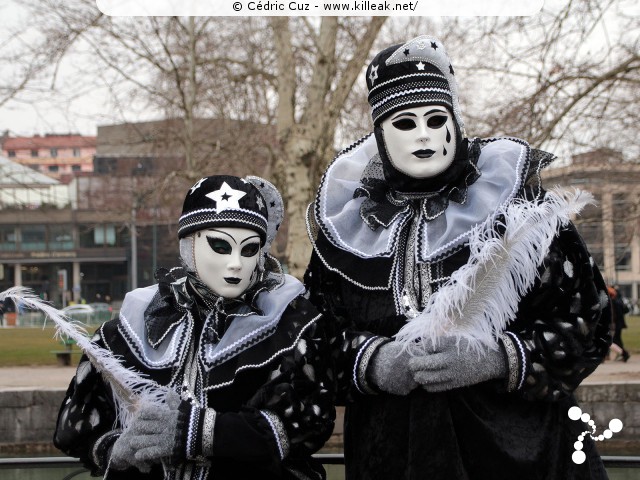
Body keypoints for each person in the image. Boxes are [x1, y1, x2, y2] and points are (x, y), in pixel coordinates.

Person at [304, 35, 611, 479]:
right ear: (380, 135)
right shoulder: (346, 229)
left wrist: (498, 358)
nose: (424, 134)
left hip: (518, 453)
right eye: (405, 124)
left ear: (455, 119)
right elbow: (312, 341)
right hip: (394, 453)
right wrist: (372, 363)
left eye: (435, 118)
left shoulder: (517, 207)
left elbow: (589, 319)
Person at [54, 175, 336, 479]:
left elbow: (308, 421)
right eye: (220, 246)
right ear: (189, 244)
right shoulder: (130, 326)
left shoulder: (288, 322)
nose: (236, 264)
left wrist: (202, 431)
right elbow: (76, 425)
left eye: (249, 249)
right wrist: (116, 449)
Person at [608, 286, 630, 362]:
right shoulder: (619, 300)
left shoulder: (614, 302)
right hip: (619, 324)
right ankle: (623, 354)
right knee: (618, 341)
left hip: (616, 324)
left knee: (614, 341)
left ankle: (624, 354)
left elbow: (615, 315)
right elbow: (626, 310)